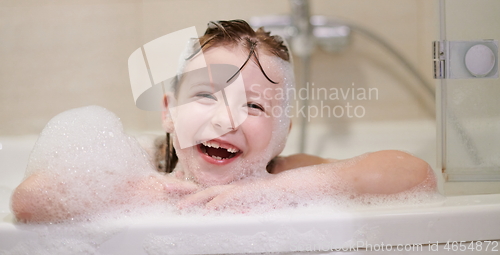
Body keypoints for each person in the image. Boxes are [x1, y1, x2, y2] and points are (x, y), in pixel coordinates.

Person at [11, 20, 436, 222]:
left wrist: (272, 191)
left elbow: (416, 176)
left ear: (284, 133)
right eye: (204, 96)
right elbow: (30, 200)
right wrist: (154, 193)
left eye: (254, 106)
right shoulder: (143, 163)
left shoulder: (285, 173)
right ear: (168, 113)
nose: (225, 119)